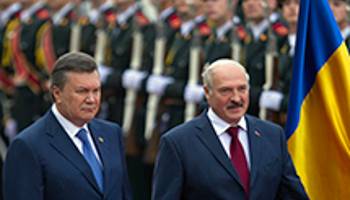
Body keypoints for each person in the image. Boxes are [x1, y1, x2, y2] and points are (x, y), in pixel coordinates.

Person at [151, 59, 309, 200]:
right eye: (225, 90)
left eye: (242, 89)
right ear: (207, 92)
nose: (236, 98)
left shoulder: (272, 135)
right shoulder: (178, 143)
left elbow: (292, 194)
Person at [3, 52, 133, 200]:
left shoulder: (111, 133)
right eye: (82, 91)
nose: (91, 99)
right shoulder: (28, 145)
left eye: (96, 90)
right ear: (57, 93)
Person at [259, 0, 300, 127]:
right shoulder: (281, 43)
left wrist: (283, 102)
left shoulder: (313, 45)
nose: (292, 8)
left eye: (297, 3)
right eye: (287, 4)